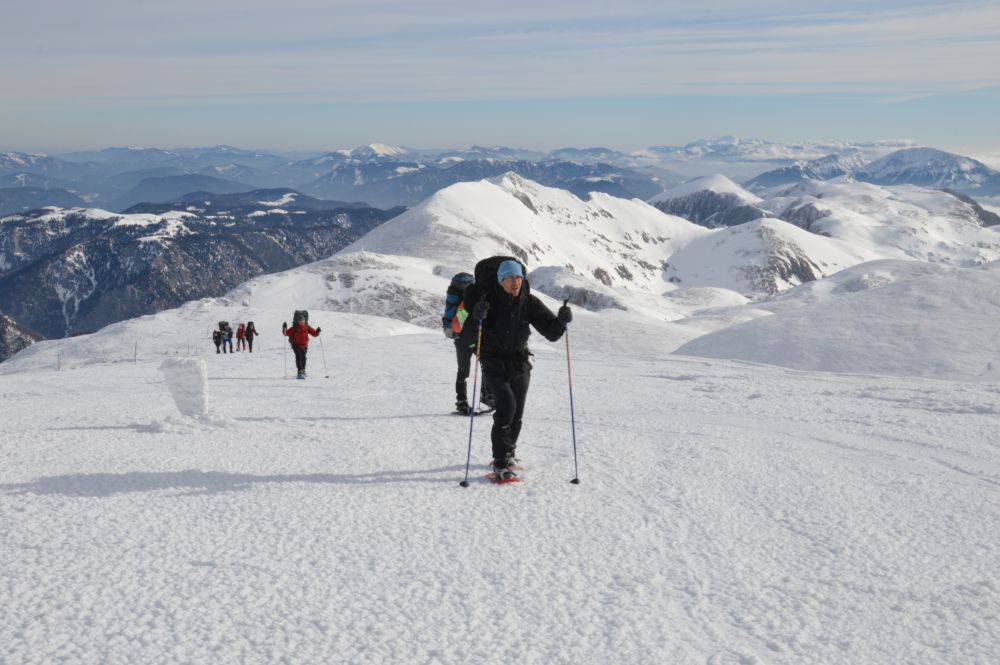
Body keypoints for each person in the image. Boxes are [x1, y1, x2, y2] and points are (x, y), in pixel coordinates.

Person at [459, 256, 572, 480]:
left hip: (519, 362)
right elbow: (468, 337)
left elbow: (551, 333)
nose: (515, 282)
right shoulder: (486, 302)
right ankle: (500, 462)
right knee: (506, 407)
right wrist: (476, 317)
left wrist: (562, 321)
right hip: (493, 361)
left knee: (517, 411)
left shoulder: (528, 302)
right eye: (510, 277)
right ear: (501, 280)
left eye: (519, 277)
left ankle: (509, 453)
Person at [442, 272, 493, 415]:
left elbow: (457, 326)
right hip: (473, 340)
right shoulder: (471, 303)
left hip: (461, 340)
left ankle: (461, 401)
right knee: (487, 365)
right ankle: (487, 396)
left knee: (463, 371)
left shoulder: (462, 302)